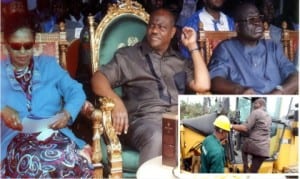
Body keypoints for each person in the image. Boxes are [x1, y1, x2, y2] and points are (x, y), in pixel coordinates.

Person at [91, 8, 210, 165]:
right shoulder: (128, 56)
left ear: (173, 32)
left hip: (176, 118)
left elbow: (203, 85)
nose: (155, 30)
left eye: (162, 27)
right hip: (144, 121)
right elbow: (97, 79)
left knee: (210, 137)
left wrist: (193, 46)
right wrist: (116, 101)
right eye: (152, 26)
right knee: (158, 136)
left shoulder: (179, 61)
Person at [0, 15, 92, 177]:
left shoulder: (48, 65)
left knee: (67, 161)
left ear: (34, 44)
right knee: (35, 162)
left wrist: (67, 113)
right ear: (7, 45)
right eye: (16, 46)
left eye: (27, 45)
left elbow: (76, 90)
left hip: (54, 135)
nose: (22, 52)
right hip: (17, 140)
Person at [208, 2, 298, 94]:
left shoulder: (272, 47)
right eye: (251, 20)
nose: (258, 23)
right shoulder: (226, 49)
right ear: (237, 27)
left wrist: (280, 92)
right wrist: (239, 90)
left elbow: (295, 76)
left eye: (259, 18)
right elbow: (215, 80)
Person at [231, 98, 272, 173]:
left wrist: (231, 126)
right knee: (253, 171)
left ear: (259, 104)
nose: (253, 105)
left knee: (243, 148)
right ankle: (247, 171)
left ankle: (245, 167)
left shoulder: (256, 112)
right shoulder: (268, 116)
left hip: (255, 145)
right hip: (264, 150)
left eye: (255, 103)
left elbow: (246, 128)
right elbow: (258, 129)